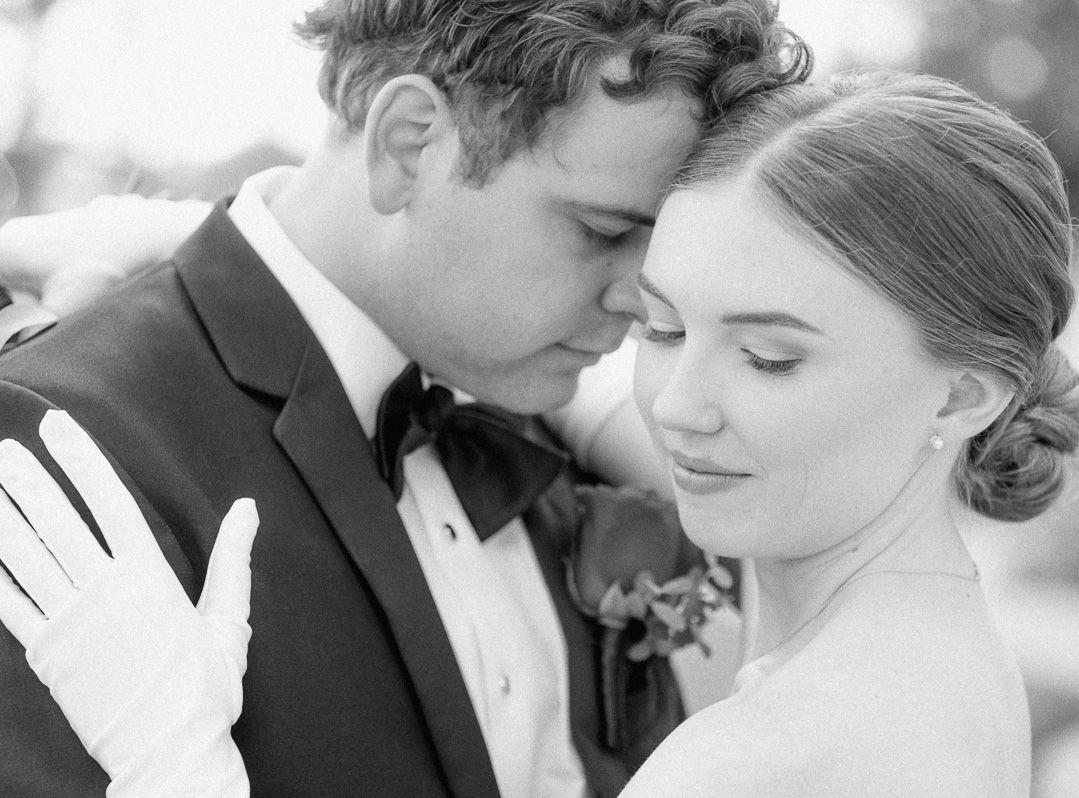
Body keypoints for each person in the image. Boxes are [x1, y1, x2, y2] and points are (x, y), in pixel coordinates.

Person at [2, 69, 1079, 795]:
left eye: (768, 355)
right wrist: (224, 244)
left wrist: (175, 768)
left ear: (961, 397)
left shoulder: (760, 760)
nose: (670, 400)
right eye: (664, 321)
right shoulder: (932, 646)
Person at [0, 2, 805, 796]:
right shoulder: (63, 443)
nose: (643, 299)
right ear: (409, 143)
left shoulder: (566, 406)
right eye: (600, 230)